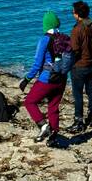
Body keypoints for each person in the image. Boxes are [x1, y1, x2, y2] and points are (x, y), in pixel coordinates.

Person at [19, 11, 72, 145]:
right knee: (53, 106)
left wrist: (26, 79)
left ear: (45, 25)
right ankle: (54, 137)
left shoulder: (44, 40)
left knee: (29, 102)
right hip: (62, 78)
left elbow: (37, 64)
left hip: (47, 78)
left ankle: (43, 126)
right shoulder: (66, 38)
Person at [68, 1, 92, 131]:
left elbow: (74, 49)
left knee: (78, 94)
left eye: (73, 12)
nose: (72, 14)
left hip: (79, 66)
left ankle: (78, 121)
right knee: (91, 90)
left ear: (77, 14)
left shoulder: (77, 29)